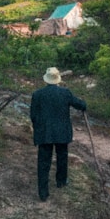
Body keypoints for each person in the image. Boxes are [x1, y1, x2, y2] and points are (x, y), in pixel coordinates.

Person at [30, 67, 87, 202]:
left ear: (46, 79)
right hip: (62, 131)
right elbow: (79, 104)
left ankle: (43, 193)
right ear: (57, 80)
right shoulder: (65, 93)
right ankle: (61, 181)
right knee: (62, 156)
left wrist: (38, 127)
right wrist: (84, 104)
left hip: (44, 133)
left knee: (43, 161)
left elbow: (33, 115)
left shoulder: (37, 94)